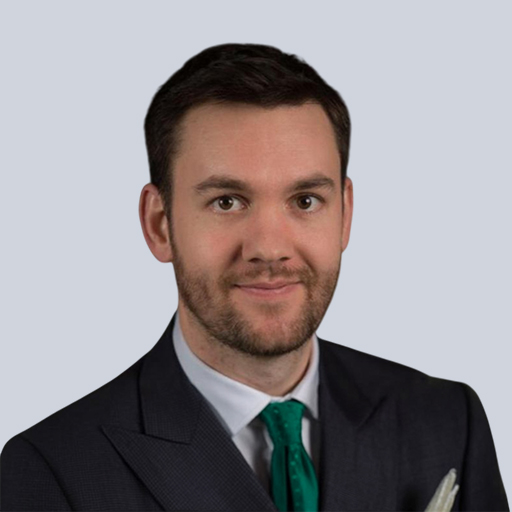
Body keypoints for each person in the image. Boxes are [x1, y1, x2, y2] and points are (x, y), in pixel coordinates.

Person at [0, 43, 508, 512]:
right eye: (227, 202)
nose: (268, 248)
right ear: (160, 224)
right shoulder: (53, 471)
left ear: (345, 214)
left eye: (305, 200)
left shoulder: (446, 421)